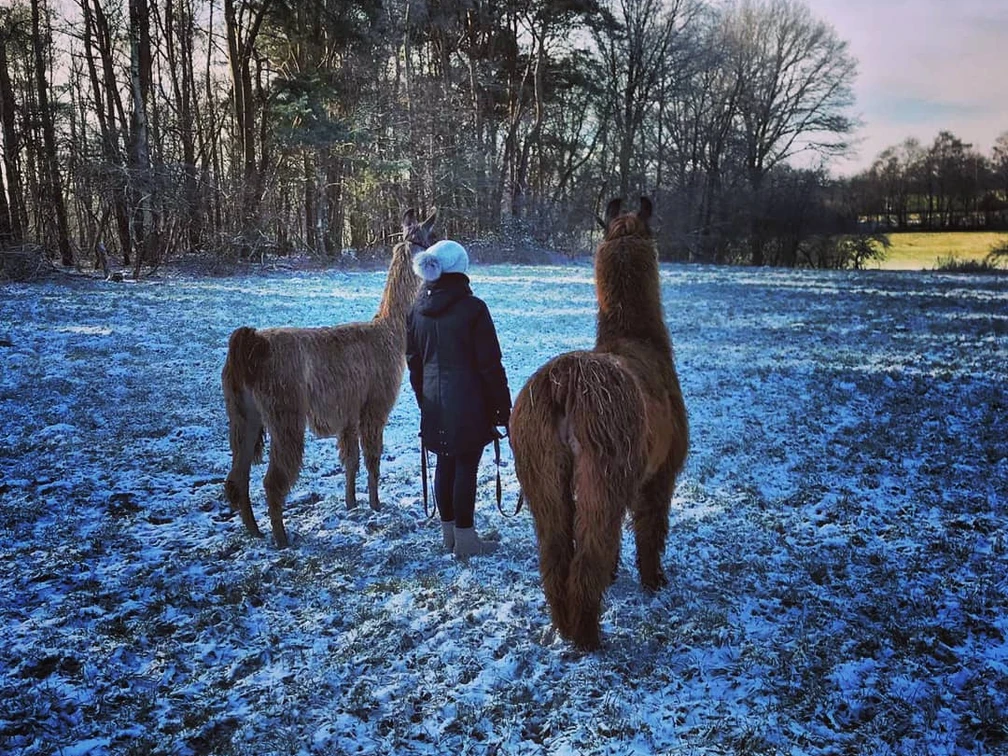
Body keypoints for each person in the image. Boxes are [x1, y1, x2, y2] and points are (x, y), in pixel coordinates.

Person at [406, 239, 511, 559]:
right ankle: (465, 541)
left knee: (445, 462)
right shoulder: (473, 309)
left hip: (434, 402)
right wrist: (501, 409)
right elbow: (490, 365)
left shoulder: (415, 310)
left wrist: (424, 400)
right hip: (469, 404)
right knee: (465, 465)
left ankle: (449, 536)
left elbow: (414, 363)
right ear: (460, 269)